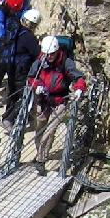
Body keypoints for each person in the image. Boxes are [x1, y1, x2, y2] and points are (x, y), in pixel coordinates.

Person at [25, 35, 86, 172]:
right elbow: (31, 77)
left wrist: (79, 89)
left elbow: (78, 77)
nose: (49, 57)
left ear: (57, 51)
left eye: (52, 54)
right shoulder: (40, 60)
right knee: (39, 129)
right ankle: (41, 153)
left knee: (50, 131)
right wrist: (37, 85)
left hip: (60, 101)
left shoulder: (66, 62)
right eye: (47, 54)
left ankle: (41, 160)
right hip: (43, 100)